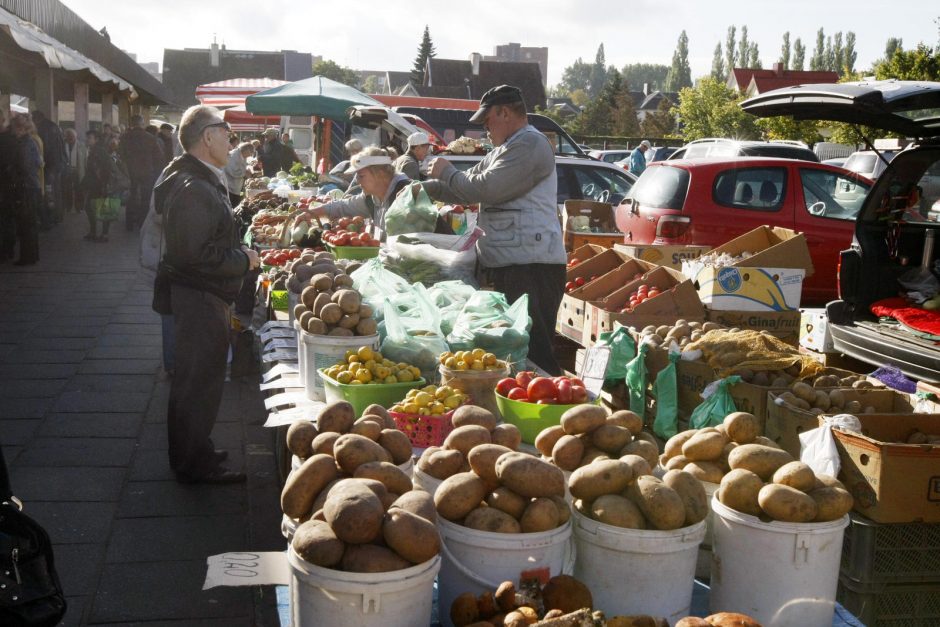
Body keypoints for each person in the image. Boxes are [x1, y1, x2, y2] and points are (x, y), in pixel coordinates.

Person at [423, 85, 566, 374]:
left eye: (487, 120)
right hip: (515, 261)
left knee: (534, 351)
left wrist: (447, 171)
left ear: (504, 112)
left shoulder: (529, 145)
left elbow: (488, 188)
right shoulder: (506, 148)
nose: (484, 129)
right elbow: (467, 188)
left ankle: (551, 409)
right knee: (516, 351)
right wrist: (420, 190)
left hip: (531, 265)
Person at [153, 105, 259, 485]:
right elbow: (194, 255)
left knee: (201, 379)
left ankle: (195, 450)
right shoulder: (193, 186)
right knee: (197, 382)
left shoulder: (198, 179)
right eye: (225, 129)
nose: (231, 137)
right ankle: (193, 464)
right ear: (207, 136)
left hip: (202, 294)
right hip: (199, 296)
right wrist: (242, 260)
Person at [301, 146, 409, 231]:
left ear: (380, 174)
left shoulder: (406, 195)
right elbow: (344, 206)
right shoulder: (371, 198)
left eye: (361, 176)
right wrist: (310, 213)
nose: (357, 180)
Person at [119, 114, 164, 231]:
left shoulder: (125, 137)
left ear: (132, 124)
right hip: (147, 173)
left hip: (130, 173)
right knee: (146, 198)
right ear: (142, 123)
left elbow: (120, 155)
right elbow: (159, 157)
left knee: (131, 197)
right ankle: (142, 223)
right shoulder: (150, 138)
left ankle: (129, 224)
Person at [10, 115, 42, 265]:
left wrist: (12, 171)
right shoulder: (31, 142)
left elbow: (24, 166)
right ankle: (32, 255)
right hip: (32, 185)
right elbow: (38, 162)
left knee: (26, 223)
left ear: (20, 128)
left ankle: (26, 257)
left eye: (14, 128)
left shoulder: (24, 144)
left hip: (26, 187)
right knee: (30, 223)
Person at [31, 110, 66, 227]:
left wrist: (41, 162)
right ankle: (58, 216)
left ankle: (50, 218)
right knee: (56, 190)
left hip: (50, 165)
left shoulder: (43, 128)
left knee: (49, 192)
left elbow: (45, 148)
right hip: (57, 163)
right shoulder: (54, 126)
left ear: (36, 119)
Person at [82, 130, 111, 241]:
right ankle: (96, 232)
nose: (87, 140)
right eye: (87, 137)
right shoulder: (94, 150)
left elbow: (105, 169)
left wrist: (104, 185)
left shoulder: (99, 151)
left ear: (96, 139)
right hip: (96, 184)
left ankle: (103, 234)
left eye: (90, 138)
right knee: (91, 208)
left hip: (100, 185)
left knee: (100, 208)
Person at [0, 110, 20, 262]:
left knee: (6, 218)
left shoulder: (9, 140)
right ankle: (8, 248)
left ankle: (7, 248)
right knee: (7, 218)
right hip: (8, 185)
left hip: (6, 186)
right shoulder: (11, 139)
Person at [63, 128, 87, 214]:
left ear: (75, 137)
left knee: (79, 190)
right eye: (68, 136)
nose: (70, 138)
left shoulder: (81, 145)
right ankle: (68, 206)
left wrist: (86, 171)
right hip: (66, 170)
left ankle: (79, 207)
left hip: (77, 170)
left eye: (72, 136)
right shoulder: (63, 145)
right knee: (67, 189)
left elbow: (85, 159)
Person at [224, 142, 255, 207]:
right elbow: (232, 171)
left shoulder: (243, 155)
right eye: (250, 153)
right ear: (246, 150)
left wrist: (246, 170)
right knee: (232, 204)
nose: (250, 155)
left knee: (236, 202)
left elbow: (242, 166)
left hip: (236, 186)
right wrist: (244, 173)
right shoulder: (233, 156)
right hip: (230, 186)